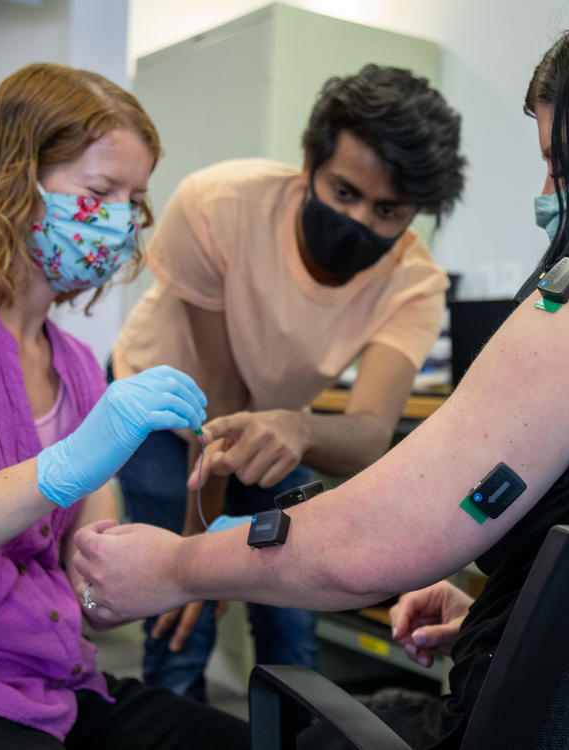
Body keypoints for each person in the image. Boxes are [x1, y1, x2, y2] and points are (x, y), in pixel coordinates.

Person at [74, 0, 569, 747]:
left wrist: (176, 564)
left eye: (560, 165)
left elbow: (370, 543)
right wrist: (523, 609)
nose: (548, 196)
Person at [0, 63, 249, 749]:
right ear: (13, 179)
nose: (119, 221)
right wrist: (53, 474)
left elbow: (94, 602)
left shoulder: (80, 367)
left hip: (52, 688)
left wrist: (201, 560)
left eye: (133, 198)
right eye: (99, 191)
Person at [109, 63, 466, 700]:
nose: (361, 220)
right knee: (182, 605)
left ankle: (293, 729)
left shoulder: (415, 283)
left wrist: (298, 428)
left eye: (389, 210)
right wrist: (197, 557)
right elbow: (215, 407)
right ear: (309, 164)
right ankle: (171, 717)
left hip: (273, 425)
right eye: (345, 192)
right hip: (166, 412)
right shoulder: (216, 206)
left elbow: (367, 435)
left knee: (292, 607)